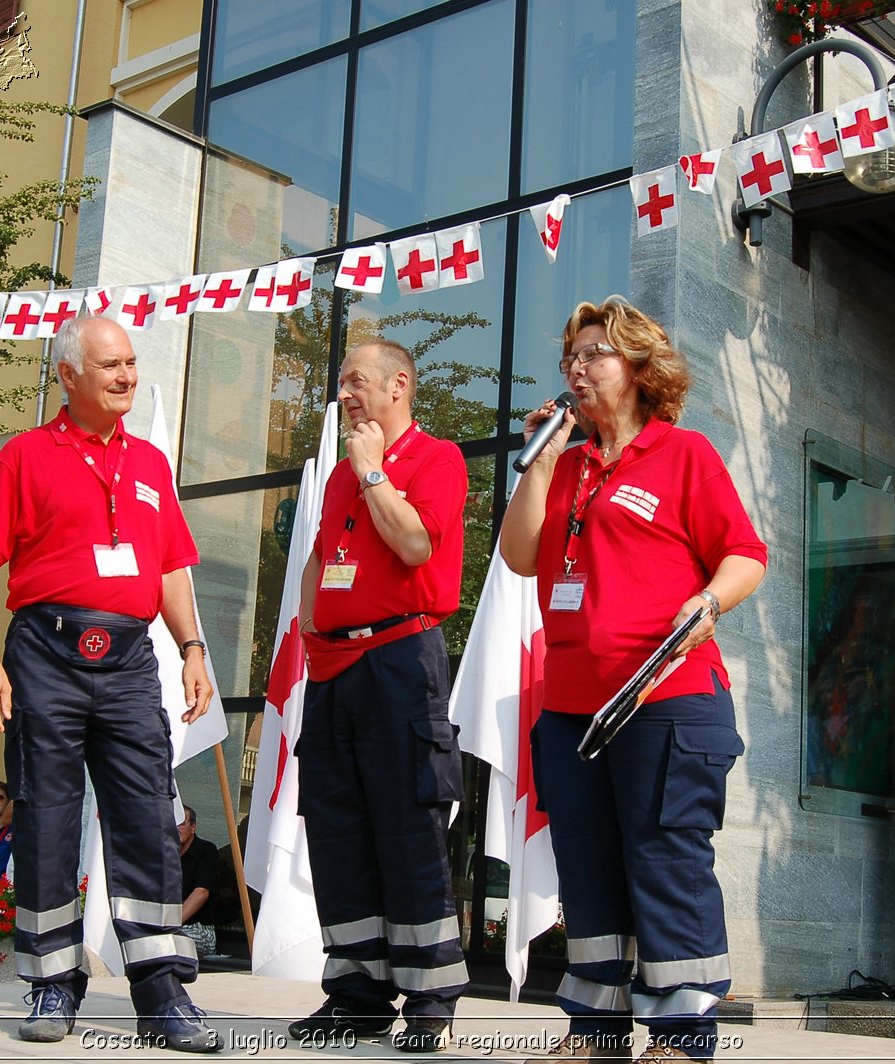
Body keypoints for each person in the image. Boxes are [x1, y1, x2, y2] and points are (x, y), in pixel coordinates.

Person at [499, 298, 767, 1064]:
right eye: (571, 358)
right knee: (588, 869)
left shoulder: (683, 454)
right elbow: (520, 556)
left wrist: (709, 601)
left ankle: (683, 1039)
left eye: (595, 356)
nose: (577, 370)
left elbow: (746, 553)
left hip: (666, 700)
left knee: (664, 860)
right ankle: (595, 1034)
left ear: (640, 370)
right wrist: (543, 462)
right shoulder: (566, 462)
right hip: (571, 710)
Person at [0, 315, 220, 1050]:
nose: (127, 376)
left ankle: (162, 992)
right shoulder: (23, 456)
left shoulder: (149, 464)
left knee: (148, 815)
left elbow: (172, 566)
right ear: (69, 376)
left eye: (132, 363)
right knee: (45, 815)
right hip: (45, 652)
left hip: (134, 658)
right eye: (110, 365)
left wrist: (192, 648)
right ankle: (52, 985)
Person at [288, 338, 470, 1054]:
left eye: (358, 381)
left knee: (405, 827)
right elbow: (318, 560)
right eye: (341, 382)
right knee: (337, 832)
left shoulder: (438, 458)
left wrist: (371, 472)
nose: (347, 393)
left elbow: (417, 544)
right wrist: (309, 636)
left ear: (400, 385)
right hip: (333, 668)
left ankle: (429, 998)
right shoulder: (338, 477)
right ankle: (357, 993)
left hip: (399, 657)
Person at [177, 805, 219, 958]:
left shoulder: (206, 850)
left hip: (199, 929)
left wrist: (169, 924)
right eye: (171, 823)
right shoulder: (164, 853)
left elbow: (201, 893)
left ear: (193, 827)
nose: (176, 828)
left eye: (181, 823)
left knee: (168, 941)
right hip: (164, 927)